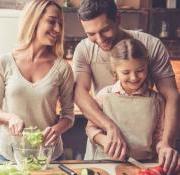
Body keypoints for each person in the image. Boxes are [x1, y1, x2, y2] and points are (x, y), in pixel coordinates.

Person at [73, 0, 179, 174]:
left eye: (105, 29)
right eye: (91, 34)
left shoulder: (151, 46)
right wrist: (109, 127)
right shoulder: (83, 50)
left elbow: (171, 96)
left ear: (118, 18)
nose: (100, 40)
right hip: (104, 154)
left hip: (146, 158)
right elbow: (79, 93)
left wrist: (166, 143)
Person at [0, 0, 74, 161]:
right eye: (51, 21)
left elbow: (68, 116)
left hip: (48, 156)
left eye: (60, 24)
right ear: (34, 20)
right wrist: (10, 118)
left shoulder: (62, 68)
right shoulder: (4, 62)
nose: (57, 29)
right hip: (11, 155)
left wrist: (56, 129)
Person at [85, 38, 166, 162]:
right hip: (107, 162)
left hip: (144, 164)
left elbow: (159, 137)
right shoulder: (104, 95)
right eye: (126, 72)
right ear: (115, 71)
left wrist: (163, 149)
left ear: (147, 67)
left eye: (140, 70)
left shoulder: (157, 100)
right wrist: (103, 139)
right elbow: (90, 128)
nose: (133, 78)